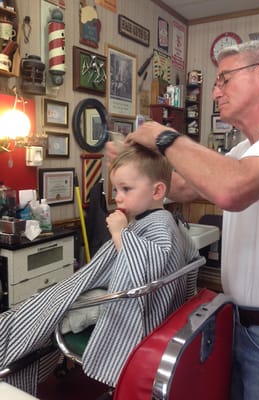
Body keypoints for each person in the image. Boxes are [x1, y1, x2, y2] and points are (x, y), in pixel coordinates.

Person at [105, 40, 259, 399]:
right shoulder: (247, 150)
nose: (215, 92)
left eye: (224, 79)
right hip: (239, 320)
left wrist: (165, 138)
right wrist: (137, 174)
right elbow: (182, 189)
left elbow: (231, 189)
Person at [0, 144, 198, 396]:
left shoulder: (159, 225)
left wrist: (119, 232)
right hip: (132, 303)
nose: (117, 197)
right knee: (41, 306)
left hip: (136, 315)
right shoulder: (161, 221)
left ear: (158, 190)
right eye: (116, 189)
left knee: (33, 314)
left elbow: (143, 271)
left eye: (127, 189)